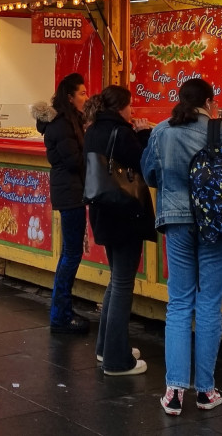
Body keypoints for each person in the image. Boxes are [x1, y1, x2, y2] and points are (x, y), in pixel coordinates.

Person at [141, 77, 222, 415]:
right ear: (209, 102)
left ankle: (173, 392)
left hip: (176, 219)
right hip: (214, 222)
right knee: (210, 303)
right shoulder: (220, 131)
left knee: (179, 302)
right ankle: (206, 390)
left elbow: (149, 173)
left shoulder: (162, 131)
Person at [83, 84, 153, 377]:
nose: (132, 110)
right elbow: (145, 164)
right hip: (125, 212)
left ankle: (106, 347)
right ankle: (116, 359)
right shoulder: (122, 133)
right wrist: (144, 134)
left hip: (102, 211)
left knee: (116, 281)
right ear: (121, 107)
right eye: (130, 106)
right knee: (123, 283)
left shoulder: (92, 130)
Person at [33, 72, 90, 335]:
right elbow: (73, 160)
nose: (85, 97)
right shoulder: (64, 125)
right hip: (70, 192)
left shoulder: (68, 121)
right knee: (71, 254)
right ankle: (60, 313)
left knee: (69, 252)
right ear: (70, 97)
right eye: (82, 93)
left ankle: (62, 309)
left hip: (69, 190)